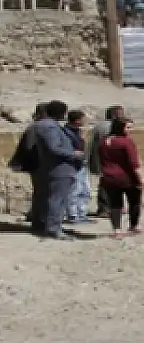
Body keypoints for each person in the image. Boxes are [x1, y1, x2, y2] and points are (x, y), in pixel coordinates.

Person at [31, 100, 84, 240]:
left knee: (51, 198)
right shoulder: (49, 126)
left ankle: (45, 224)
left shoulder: (49, 125)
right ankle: (53, 229)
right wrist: (74, 154)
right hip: (59, 168)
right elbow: (53, 148)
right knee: (58, 199)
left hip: (56, 167)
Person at [98, 117, 144, 239]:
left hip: (109, 176)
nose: (130, 130)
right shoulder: (126, 142)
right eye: (128, 127)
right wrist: (141, 178)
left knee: (115, 205)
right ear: (121, 128)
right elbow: (134, 163)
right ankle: (134, 226)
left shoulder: (104, 141)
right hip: (127, 177)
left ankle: (116, 229)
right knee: (134, 202)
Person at [8, 102, 48, 225]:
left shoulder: (37, 127)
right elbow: (30, 148)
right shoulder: (35, 128)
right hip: (38, 165)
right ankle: (38, 219)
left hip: (40, 165)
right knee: (41, 193)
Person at [88, 105, 124, 218]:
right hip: (107, 160)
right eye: (121, 113)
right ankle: (105, 208)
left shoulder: (99, 126)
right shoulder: (109, 127)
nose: (123, 116)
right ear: (114, 115)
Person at [63, 109, 92, 224]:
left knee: (85, 190)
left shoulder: (77, 131)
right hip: (73, 165)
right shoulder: (66, 132)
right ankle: (73, 215)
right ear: (77, 120)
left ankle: (82, 214)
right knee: (74, 191)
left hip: (81, 164)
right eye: (83, 118)